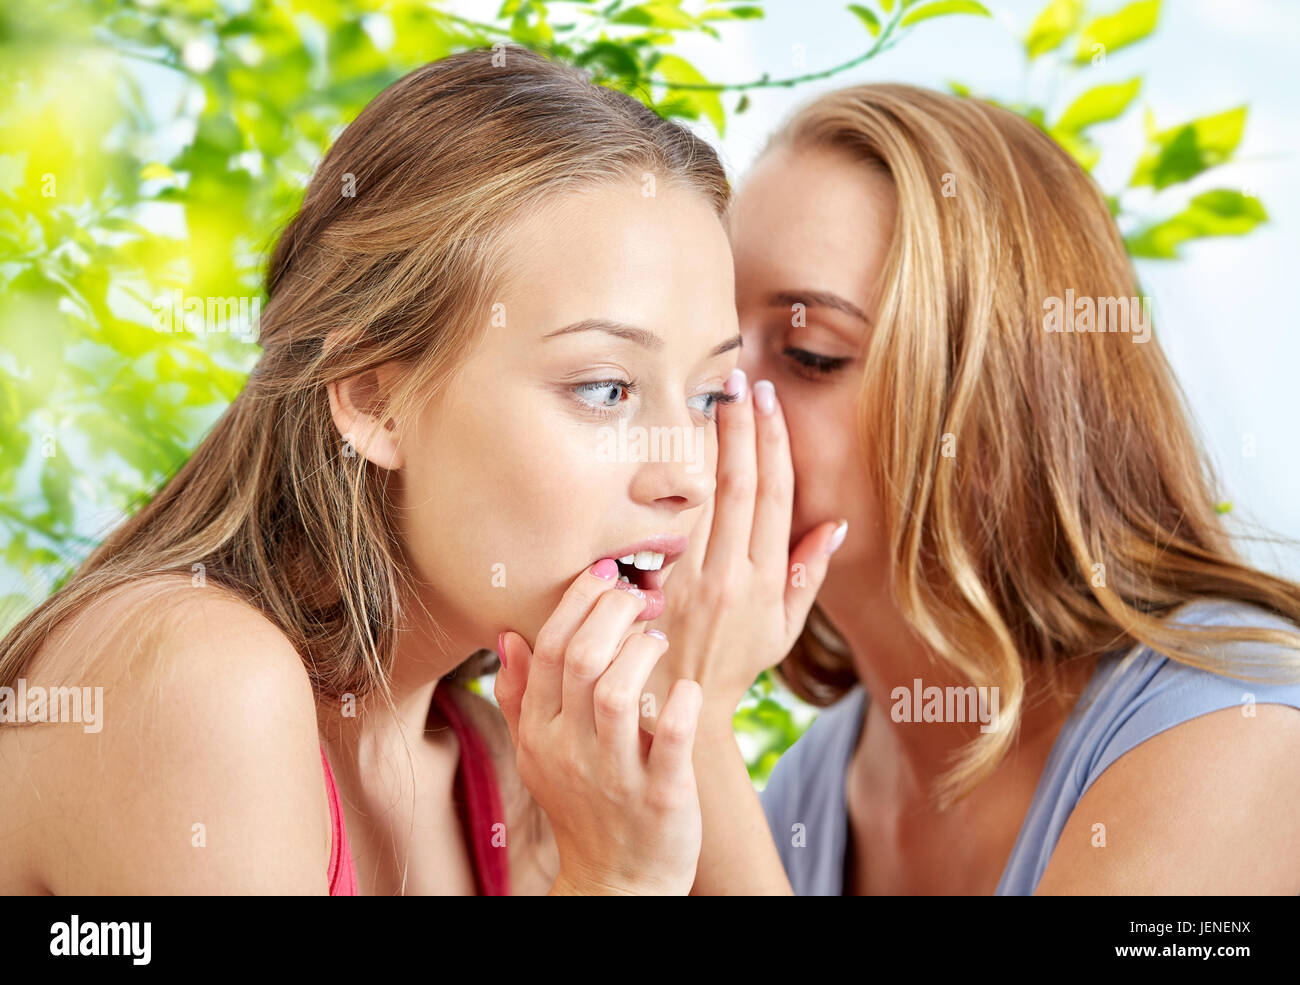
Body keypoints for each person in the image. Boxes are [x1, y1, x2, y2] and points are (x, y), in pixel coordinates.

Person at [0, 46, 744, 895]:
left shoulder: (506, 764)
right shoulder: (202, 682)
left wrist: (695, 706)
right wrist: (615, 881)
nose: (689, 472)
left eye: (712, 394)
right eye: (606, 388)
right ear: (370, 398)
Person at [642, 82, 1300, 895]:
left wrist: (690, 722)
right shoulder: (808, 792)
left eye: (809, 351)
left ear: (995, 417)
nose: (717, 397)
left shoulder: (1238, 732)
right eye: (712, 344)